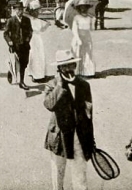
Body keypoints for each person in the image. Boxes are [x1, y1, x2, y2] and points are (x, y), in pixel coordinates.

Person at [44, 50, 95, 190]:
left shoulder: (84, 85)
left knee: (80, 176)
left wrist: (90, 140)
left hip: (79, 137)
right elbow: (49, 104)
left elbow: (88, 114)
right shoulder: (52, 84)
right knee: (58, 175)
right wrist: (59, 86)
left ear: (75, 66)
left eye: (71, 65)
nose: (69, 69)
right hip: (59, 137)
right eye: (64, 66)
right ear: (59, 68)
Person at [3, 2, 33, 90]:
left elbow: (30, 31)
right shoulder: (11, 20)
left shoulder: (27, 20)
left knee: (25, 63)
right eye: (18, 9)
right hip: (15, 46)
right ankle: (21, 81)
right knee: (16, 62)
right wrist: (9, 41)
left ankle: (20, 79)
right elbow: (5, 33)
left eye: (21, 9)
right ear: (15, 10)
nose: (20, 11)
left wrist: (28, 38)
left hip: (25, 45)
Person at [25, 0, 52, 82]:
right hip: (34, 39)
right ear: (32, 11)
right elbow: (38, 29)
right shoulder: (32, 20)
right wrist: (45, 24)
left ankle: (36, 73)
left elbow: (41, 29)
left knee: (37, 55)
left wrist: (46, 24)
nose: (38, 13)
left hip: (36, 38)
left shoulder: (35, 19)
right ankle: (38, 76)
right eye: (36, 11)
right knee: (37, 56)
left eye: (38, 11)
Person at [71, 0, 96, 78]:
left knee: (88, 53)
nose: (83, 9)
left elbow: (91, 29)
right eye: (81, 7)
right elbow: (74, 29)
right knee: (78, 53)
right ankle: (77, 71)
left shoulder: (90, 18)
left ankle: (87, 72)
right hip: (78, 37)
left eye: (85, 7)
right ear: (79, 8)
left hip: (87, 37)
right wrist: (78, 38)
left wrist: (93, 22)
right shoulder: (76, 17)